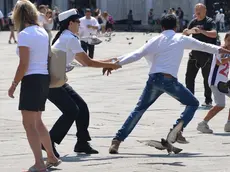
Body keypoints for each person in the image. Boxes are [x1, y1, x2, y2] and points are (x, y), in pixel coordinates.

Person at [106, 14, 230, 154]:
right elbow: (205, 46)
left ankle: (116, 141)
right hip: (169, 81)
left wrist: (115, 64)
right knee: (193, 103)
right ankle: (177, 130)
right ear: (176, 26)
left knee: (138, 110)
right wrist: (225, 50)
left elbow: (136, 54)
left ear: (162, 26)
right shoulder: (181, 38)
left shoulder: (155, 40)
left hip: (153, 80)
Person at [41, 9, 120, 158]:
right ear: (70, 23)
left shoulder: (65, 36)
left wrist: (109, 62)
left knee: (82, 108)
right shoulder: (70, 38)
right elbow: (88, 62)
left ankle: (82, 142)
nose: (80, 24)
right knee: (71, 110)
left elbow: (83, 61)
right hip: (53, 81)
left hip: (57, 79)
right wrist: (111, 64)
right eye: (78, 22)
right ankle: (48, 141)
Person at [8, 0, 61, 171]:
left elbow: (23, 64)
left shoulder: (25, 34)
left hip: (31, 80)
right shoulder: (42, 31)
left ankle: (39, 163)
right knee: (38, 122)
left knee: (29, 124)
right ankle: (51, 157)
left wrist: (14, 84)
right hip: (43, 78)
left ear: (19, 16)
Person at [183, 3, 218, 107]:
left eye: (200, 10)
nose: (197, 12)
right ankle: (190, 99)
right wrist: (186, 32)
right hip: (194, 54)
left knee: (207, 79)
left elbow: (214, 34)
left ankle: (208, 100)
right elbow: (186, 33)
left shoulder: (209, 22)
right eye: (196, 10)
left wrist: (202, 31)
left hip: (206, 55)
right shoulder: (193, 22)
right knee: (189, 77)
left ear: (205, 11)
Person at [197, 32, 230, 133]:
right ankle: (203, 123)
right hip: (216, 81)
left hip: (224, 81)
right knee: (220, 104)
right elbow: (219, 62)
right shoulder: (220, 49)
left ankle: (229, 124)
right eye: (229, 40)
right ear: (225, 40)